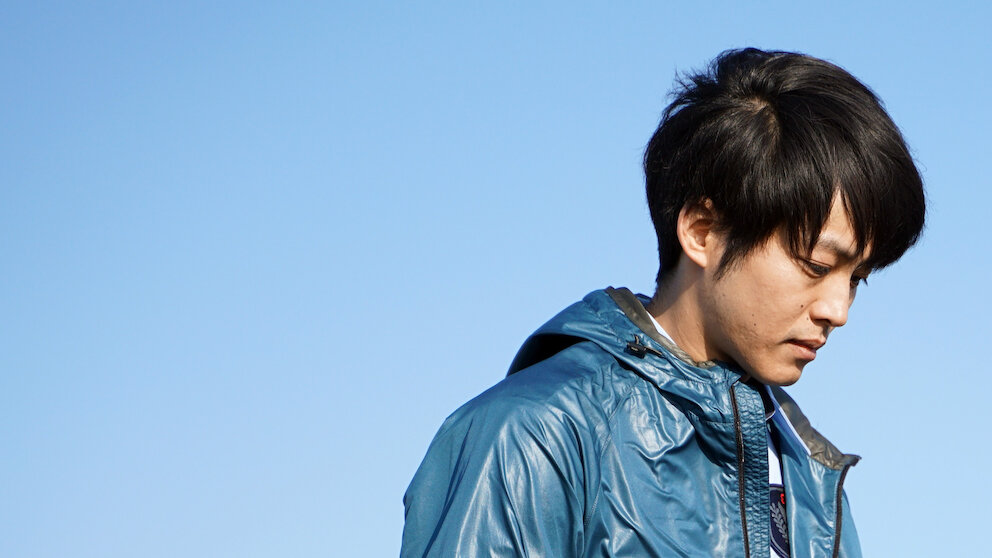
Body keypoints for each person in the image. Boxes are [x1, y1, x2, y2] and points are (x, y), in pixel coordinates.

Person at [400, 48, 925, 558]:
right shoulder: (534, 436)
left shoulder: (812, 477)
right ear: (702, 231)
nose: (838, 310)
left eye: (857, 280)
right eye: (816, 265)